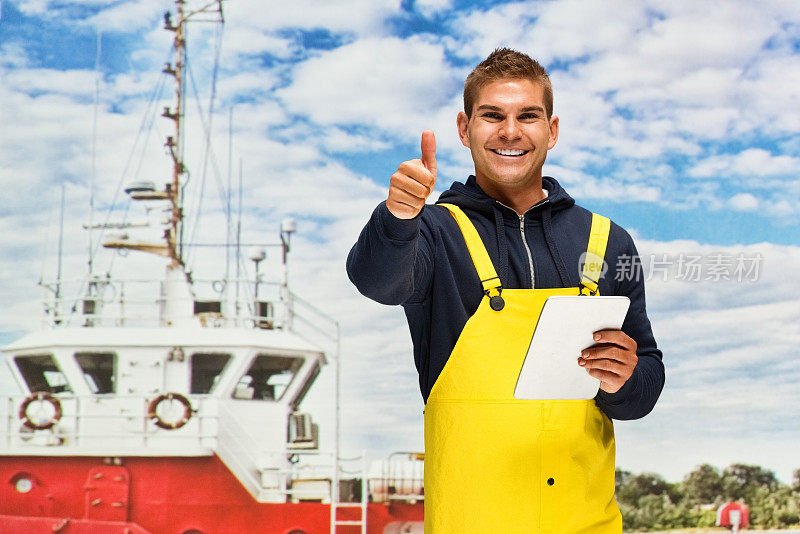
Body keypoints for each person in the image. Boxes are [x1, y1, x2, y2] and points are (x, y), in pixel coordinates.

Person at [347, 48, 664, 533]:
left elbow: (644, 390)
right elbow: (377, 281)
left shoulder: (607, 240)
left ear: (551, 130)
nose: (510, 131)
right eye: (492, 115)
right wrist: (397, 218)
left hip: (585, 521)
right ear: (464, 128)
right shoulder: (432, 230)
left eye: (528, 116)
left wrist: (624, 377)